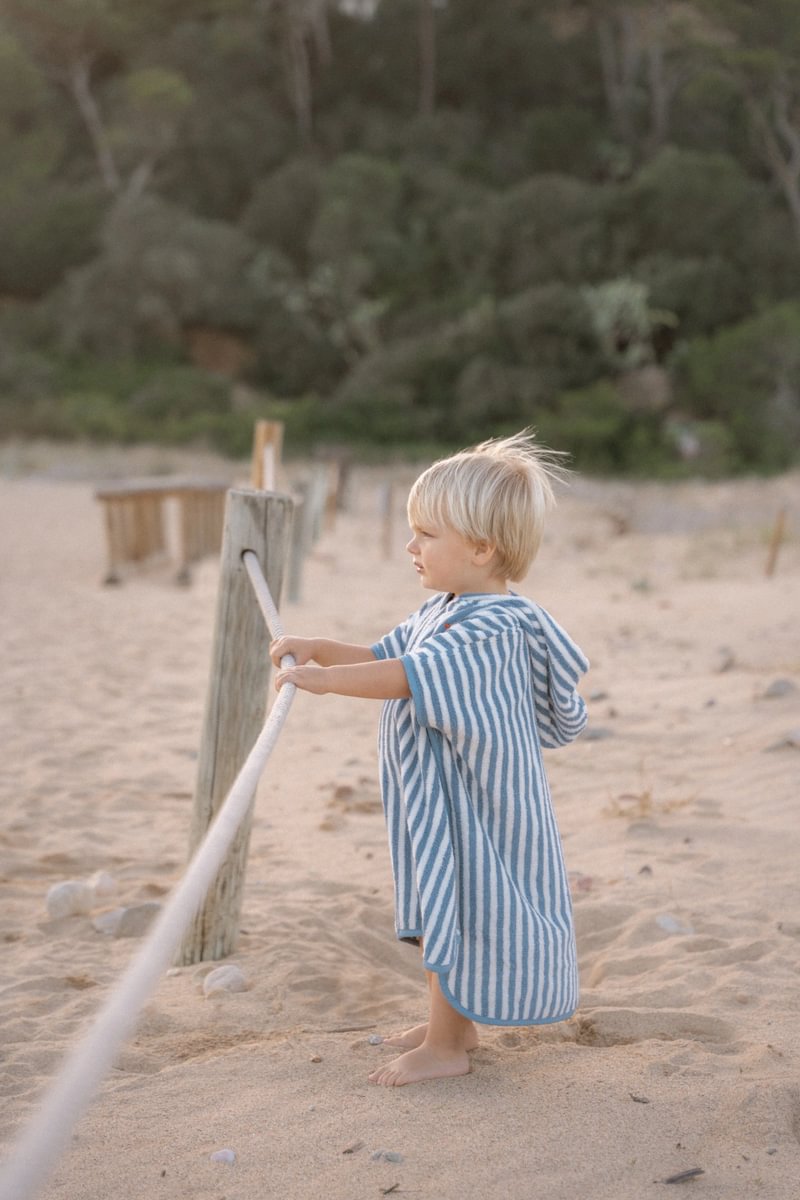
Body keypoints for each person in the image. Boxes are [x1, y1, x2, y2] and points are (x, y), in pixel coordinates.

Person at [270, 431, 589, 1087]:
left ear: (480, 547)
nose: (411, 547)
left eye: (426, 535)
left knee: (462, 909)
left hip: (479, 809)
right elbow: (388, 653)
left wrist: (325, 685)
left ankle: (447, 1047)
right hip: (441, 800)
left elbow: (409, 676)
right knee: (445, 900)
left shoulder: (491, 625)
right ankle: (456, 1021)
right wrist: (322, 648)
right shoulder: (445, 607)